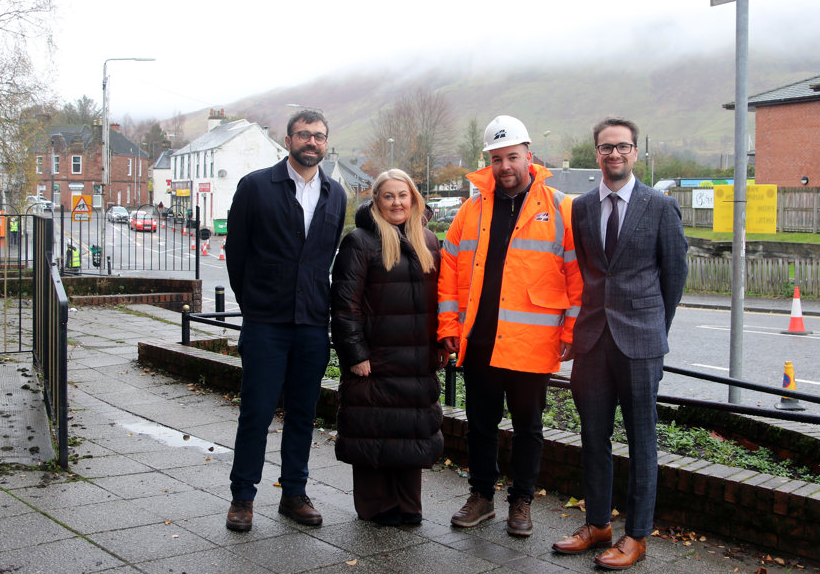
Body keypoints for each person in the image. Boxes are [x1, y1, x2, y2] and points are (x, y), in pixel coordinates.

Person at [551, 117, 688, 570]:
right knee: (593, 436)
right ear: (597, 153)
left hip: (641, 341)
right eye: (606, 148)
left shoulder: (660, 206)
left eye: (623, 147)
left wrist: (655, 329)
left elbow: (674, 277)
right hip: (592, 340)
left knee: (642, 439)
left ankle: (636, 535)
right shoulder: (582, 207)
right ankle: (598, 525)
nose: (615, 155)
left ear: (635, 152)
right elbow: (584, 270)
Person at [438, 114, 582, 537]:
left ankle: (521, 501)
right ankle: (481, 496)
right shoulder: (471, 209)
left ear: (528, 156)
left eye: (512, 157)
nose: (505, 167)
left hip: (532, 342)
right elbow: (449, 269)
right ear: (488, 161)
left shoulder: (559, 207)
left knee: (528, 429)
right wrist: (448, 323)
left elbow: (577, 277)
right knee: (480, 424)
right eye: (496, 158)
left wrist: (571, 333)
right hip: (479, 339)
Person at [222, 109, 348, 532]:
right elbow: (236, 255)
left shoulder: (335, 194)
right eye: (304, 135)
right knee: (256, 413)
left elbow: (326, 256)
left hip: (312, 323)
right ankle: (242, 498)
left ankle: (294, 493)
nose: (312, 142)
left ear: (326, 143)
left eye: (319, 136)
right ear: (288, 139)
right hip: (266, 324)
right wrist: (255, 304)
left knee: (302, 413)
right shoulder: (256, 187)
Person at [330, 170, 445, 526]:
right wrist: (355, 354)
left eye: (403, 195)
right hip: (376, 358)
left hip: (416, 358)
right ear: (376, 201)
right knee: (373, 429)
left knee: (410, 433)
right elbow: (344, 304)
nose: (397, 202)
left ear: (413, 199)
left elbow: (442, 299)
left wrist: (441, 343)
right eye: (389, 196)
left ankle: (408, 507)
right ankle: (377, 508)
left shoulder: (428, 240)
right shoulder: (360, 241)